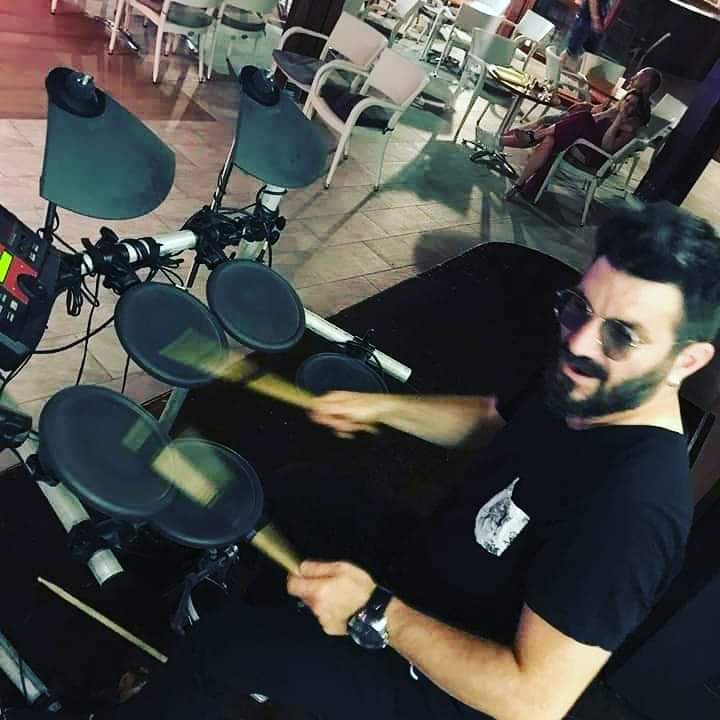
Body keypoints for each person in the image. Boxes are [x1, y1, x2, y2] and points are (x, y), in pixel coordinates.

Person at [9, 204, 720, 720]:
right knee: (299, 491)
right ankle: (256, 650)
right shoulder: (584, 382)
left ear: (687, 360)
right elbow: (493, 420)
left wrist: (378, 612)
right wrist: (381, 408)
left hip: (446, 682)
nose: (581, 342)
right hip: (433, 570)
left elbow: (530, 699)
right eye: (578, 308)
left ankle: (213, 675)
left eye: (622, 335)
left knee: (229, 647)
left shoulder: (635, 511)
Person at [501, 89, 651, 200]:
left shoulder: (629, 128)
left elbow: (606, 146)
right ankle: (519, 183)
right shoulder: (612, 112)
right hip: (581, 145)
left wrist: (618, 121)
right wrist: (606, 113)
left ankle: (526, 137)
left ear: (637, 110)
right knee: (550, 139)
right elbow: (593, 120)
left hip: (593, 156)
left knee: (578, 119)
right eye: (626, 100)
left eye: (632, 104)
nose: (626, 105)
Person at [516, 66, 663, 139]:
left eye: (637, 78)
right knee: (576, 110)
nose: (631, 78)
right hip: (591, 127)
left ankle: (522, 137)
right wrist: (595, 110)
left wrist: (596, 114)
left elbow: (621, 127)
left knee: (547, 121)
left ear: (645, 85)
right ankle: (521, 136)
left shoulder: (637, 108)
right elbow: (610, 114)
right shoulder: (636, 101)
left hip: (590, 135)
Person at [560, 0, 615, 70]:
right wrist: (595, 19)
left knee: (587, 57)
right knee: (571, 52)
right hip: (586, 20)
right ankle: (558, 68)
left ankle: (569, 70)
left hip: (596, 24)